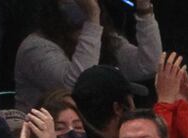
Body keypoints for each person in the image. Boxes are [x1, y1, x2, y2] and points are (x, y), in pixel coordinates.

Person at [13, 0, 162, 112]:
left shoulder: (104, 38)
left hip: (93, 136)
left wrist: (144, 8)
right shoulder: (34, 47)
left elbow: (147, 65)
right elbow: (78, 85)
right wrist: (92, 17)